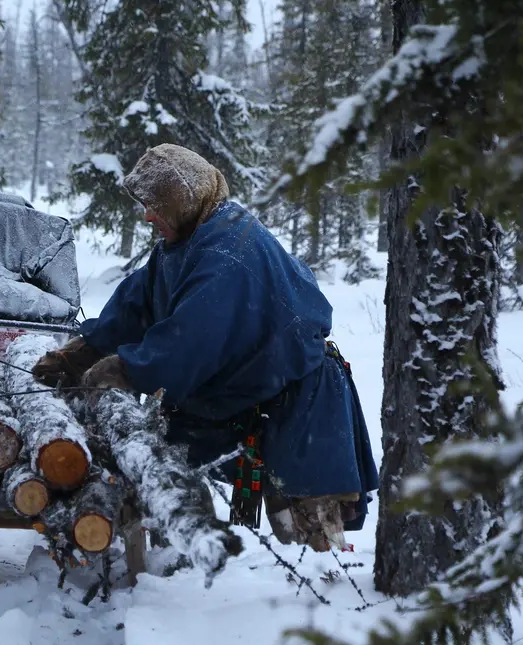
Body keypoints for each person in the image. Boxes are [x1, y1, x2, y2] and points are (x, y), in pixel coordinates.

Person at [32, 143, 379, 552]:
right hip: (248, 397)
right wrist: (81, 353)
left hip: (298, 403)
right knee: (166, 463)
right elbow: (136, 303)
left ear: (181, 200)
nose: (147, 215)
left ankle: (323, 608)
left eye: (154, 205)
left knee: (309, 543)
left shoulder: (226, 253)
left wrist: (122, 370)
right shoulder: (187, 242)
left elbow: (187, 344)